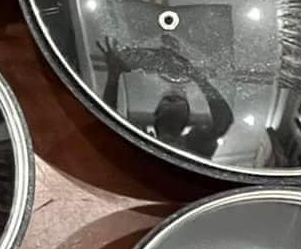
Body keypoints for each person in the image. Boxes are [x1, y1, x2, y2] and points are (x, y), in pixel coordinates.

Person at [96, 34, 234, 158]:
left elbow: (223, 121)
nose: (173, 97)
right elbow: (109, 127)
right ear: (157, 112)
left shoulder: (195, 144)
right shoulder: (139, 137)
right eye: (169, 99)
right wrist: (113, 75)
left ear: (187, 115)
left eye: (176, 99)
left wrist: (197, 77)